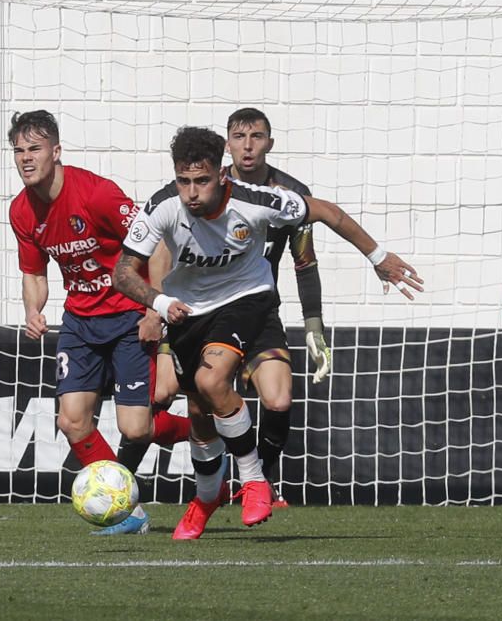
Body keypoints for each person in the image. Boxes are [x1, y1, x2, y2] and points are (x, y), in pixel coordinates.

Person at [115, 126, 422, 540]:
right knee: (201, 416)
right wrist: (158, 302)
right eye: (184, 181)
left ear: (220, 175)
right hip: (187, 310)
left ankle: (255, 479)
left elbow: (328, 212)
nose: (192, 192)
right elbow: (121, 272)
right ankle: (206, 499)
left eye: (202, 180)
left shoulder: (256, 201)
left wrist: (378, 256)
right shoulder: (163, 206)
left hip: (248, 297)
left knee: (212, 380)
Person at [7, 110, 191, 535]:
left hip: (128, 316)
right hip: (80, 322)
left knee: (136, 427)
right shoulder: (21, 211)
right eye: (18, 151)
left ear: (56, 151)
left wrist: (153, 308)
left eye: (34, 149)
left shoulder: (97, 194)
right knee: (71, 420)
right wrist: (33, 311)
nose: (25, 159)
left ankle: (210, 431)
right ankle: (127, 511)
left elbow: (157, 243)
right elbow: (34, 274)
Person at [152, 107, 331, 506]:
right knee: (169, 393)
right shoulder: (195, 188)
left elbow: (304, 261)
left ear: (270, 142)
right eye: (239, 137)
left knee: (278, 399)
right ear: (227, 144)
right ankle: (195, 480)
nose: (248, 146)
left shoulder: (288, 194)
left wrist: (313, 325)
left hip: (255, 309)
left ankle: (258, 482)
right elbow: (160, 246)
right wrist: (156, 305)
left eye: (257, 137)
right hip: (196, 309)